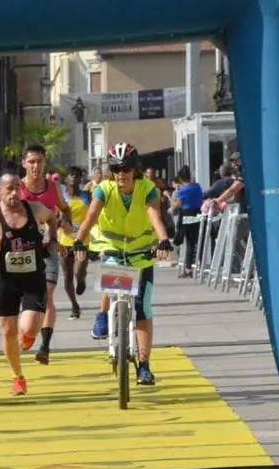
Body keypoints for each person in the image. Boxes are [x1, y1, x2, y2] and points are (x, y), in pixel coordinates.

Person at [73, 142, 172, 386]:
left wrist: (163, 240)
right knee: (113, 287)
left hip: (140, 253)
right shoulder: (103, 189)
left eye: (126, 168)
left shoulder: (147, 188)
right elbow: (91, 216)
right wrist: (78, 241)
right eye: (116, 169)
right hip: (112, 248)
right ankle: (103, 315)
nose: (121, 174)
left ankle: (145, 365)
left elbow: (154, 216)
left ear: (134, 169)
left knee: (142, 309)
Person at [0, 170, 60, 395]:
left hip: (33, 278)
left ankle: (28, 336)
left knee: (28, 327)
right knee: (8, 331)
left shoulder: (34, 208)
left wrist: (53, 239)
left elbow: (52, 217)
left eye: (17, 187)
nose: (14, 192)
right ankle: (17, 376)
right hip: (8, 281)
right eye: (8, 188)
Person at [19, 145, 72, 365]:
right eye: (31, 162)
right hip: (21, 249)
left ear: (45, 163)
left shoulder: (53, 187)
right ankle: (29, 331)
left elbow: (65, 208)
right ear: (24, 163)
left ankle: (45, 346)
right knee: (27, 296)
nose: (36, 166)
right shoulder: (17, 187)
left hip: (48, 246)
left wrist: (66, 222)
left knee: (47, 293)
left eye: (39, 161)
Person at [58, 166, 90, 318]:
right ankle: (74, 305)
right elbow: (55, 215)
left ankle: (82, 278)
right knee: (67, 275)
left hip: (82, 240)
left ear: (81, 179)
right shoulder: (61, 197)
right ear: (66, 179)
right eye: (71, 175)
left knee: (78, 272)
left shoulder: (87, 195)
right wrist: (61, 222)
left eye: (77, 175)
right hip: (64, 240)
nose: (74, 178)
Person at [171, 166, 204, 277]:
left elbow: (177, 204)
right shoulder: (197, 186)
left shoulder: (182, 190)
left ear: (180, 178)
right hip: (199, 214)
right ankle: (197, 266)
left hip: (186, 216)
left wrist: (171, 209)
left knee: (188, 242)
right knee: (197, 241)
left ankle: (188, 268)